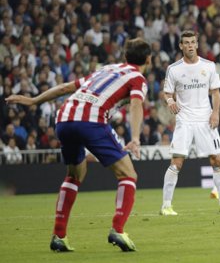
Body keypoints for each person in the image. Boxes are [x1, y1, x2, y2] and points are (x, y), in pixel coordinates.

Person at [5, 37, 151, 252]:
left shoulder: (106, 69)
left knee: (75, 174)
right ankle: (118, 230)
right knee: (128, 174)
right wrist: (136, 137)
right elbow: (137, 104)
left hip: (64, 119)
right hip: (91, 120)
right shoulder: (137, 78)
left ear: (125, 56)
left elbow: (66, 87)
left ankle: (59, 236)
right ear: (149, 58)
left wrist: (34, 101)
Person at [160, 30, 220, 215]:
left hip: (205, 119)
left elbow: (215, 92)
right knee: (177, 162)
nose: (190, 45)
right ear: (181, 46)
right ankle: (166, 205)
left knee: (217, 159)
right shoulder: (174, 69)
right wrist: (170, 101)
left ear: (197, 44)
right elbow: (167, 92)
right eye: (186, 42)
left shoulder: (209, 66)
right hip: (184, 120)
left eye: (193, 42)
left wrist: (215, 113)